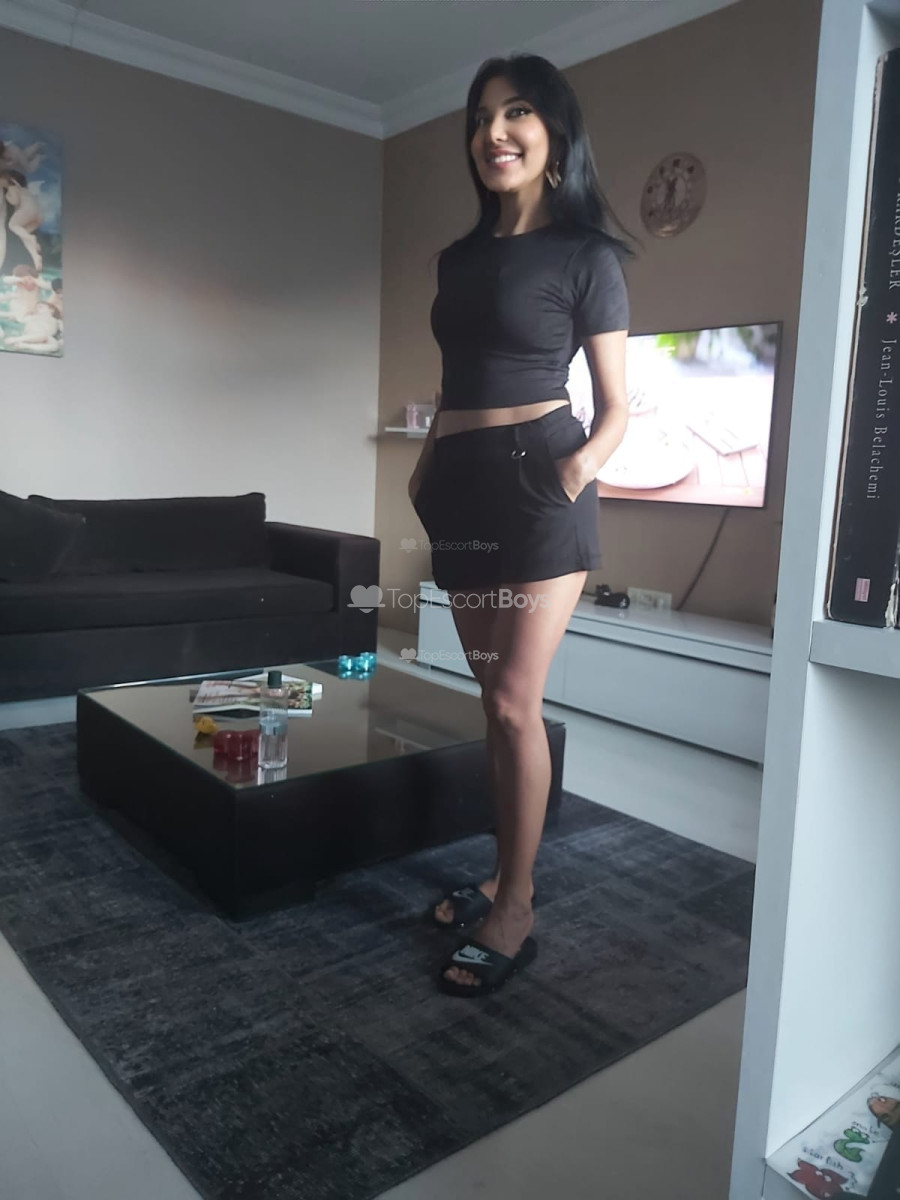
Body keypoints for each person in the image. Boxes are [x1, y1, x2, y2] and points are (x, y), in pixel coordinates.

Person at [409, 53, 637, 998]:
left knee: (513, 701)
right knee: (490, 700)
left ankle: (518, 904)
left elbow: (618, 408)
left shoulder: (587, 256)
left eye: (516, 113)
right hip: (459, 485)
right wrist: (428, 463)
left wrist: (570, 474)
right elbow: (455, 379)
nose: (493, 132)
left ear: (554, 133)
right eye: (480, 117)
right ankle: (503, 870)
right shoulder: (457, 259)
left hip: (540, 483)